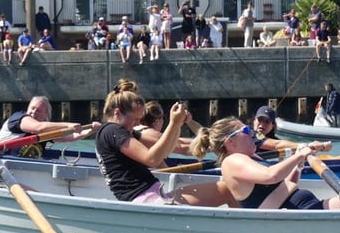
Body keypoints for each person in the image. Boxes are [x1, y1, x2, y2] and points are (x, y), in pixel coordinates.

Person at [190, 117, 340, 210]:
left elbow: (285, 184)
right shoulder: (233, 161)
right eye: (245, 131)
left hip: (306, 208)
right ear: (230, 142)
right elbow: (270, 176)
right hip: (300, 217)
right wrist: (298, 156)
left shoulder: (251, 158)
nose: (252, 133)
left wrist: (300, 160)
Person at [95, 88, 235, 206]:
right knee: (229, 192)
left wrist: (178, 124)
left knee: (228, 190)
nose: (138, 124)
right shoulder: (112, 130)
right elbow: (152, 159)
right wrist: (173, 123)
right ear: (117, 113)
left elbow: (174, 146)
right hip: (145, 201)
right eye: (135, 119)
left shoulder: (128, 132)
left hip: (154, 194)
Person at [0, 96, 98, 156]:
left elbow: (71, 136)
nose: (33, 112)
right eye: (32, 108)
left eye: (38, 110)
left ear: (45, 115)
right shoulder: (18, 118)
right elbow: (38, 127)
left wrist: (91, 130)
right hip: (0, 159)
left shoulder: (45, 131)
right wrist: (68, 124)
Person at [252, 105, 332, 154]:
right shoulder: (251, 134)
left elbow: (279, 144)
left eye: (267, 122)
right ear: (254, 121)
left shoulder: (275, 139)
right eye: (259, 120)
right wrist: (307, 145)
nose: (262, 124)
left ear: (273, 125)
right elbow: (276, 145)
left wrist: (319, 148)